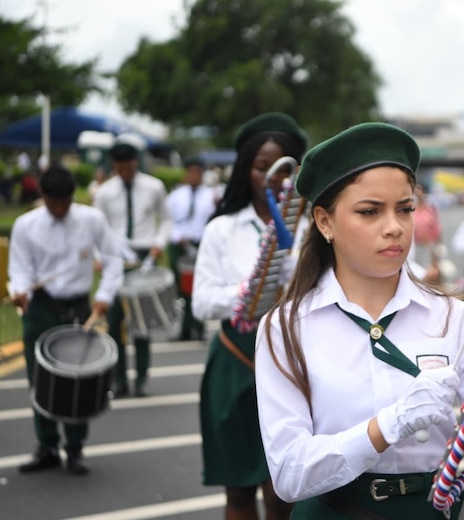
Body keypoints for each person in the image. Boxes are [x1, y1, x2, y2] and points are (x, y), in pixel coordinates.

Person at [255, 122, 464, 519]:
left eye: (405, 208)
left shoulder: (457, 319)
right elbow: (289, 475)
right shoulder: (286, 328)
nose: (393, 227)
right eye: (369, 211)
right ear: (324, 222)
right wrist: (386, 426)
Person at [192, 112, 308, 520]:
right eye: (262, 168)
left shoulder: (313, 229)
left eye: (283, 169)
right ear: (247, 170)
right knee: (239, 492)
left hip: (294, 365)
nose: (273, 179)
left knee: (285, 493)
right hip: (234, 365)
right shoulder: (221, 230)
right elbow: (202, 303)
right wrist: (254, 287)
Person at [7, 165, 123, 475]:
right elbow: (19, 267)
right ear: (42, 196)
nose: (59, 209)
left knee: (78, 377)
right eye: (52, 202)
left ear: (73, 197)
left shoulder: (91, 219)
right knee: (40, 378)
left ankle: (75, 448)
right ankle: (46, 446)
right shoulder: (25, 224)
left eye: (65, 203)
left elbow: (112, 260)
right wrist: (20, 291)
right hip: (41, 308)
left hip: (78, 307)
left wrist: (105, 296)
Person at [94, 134, 172, 397]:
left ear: (136, 163)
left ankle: (141, 378)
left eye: (129, 167)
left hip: (144, 256)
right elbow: (98, 227)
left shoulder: (154, 187)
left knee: (141, 321)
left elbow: (166, 219)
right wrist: (98, 255)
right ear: (113, 165)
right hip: (116, 258)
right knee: (115, 322)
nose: (125, 172)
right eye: (120, 168)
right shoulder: (104, 193)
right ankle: (118, 380)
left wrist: (159, 243)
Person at [166, 157, 217, 341]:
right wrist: (176, 237)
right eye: (191, 172)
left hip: (200, 244)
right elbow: (168, 221)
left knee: (200, 286)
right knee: (183, 290)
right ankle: (185, 329)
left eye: (198, 172)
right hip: (180, 246)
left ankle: (199, 328)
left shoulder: (211, 195)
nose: (194, 176)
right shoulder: (176, 196)